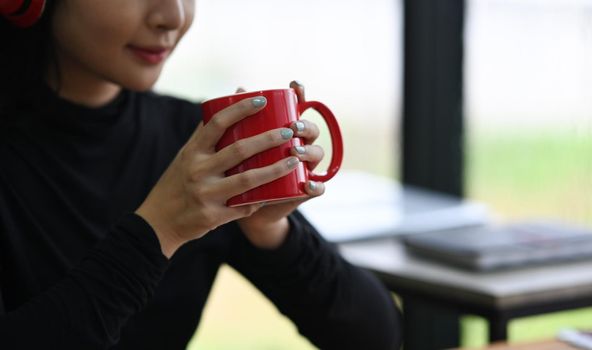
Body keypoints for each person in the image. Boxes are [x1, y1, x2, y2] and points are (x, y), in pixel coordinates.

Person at [0, 0, 402, 349]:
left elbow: (374, 336)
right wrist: (160, 229)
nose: (172, 17)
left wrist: (270, 231)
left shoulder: (198, 143)